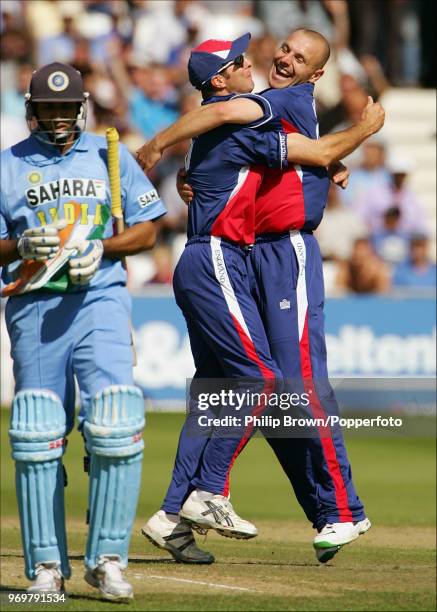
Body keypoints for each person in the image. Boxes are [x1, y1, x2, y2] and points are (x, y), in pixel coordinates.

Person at [137, 31, 384, 564]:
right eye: (242, 60)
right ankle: (211, 496)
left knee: (260, 388)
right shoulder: (254, 109)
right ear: (221, 80)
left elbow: (292, 145)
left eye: (298, 56)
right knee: (266, 386)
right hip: (235, 256)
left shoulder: (282, 101)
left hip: (262, 252)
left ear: (314, 75)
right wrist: (356, 135)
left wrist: (326, 160)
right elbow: (231, 120)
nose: (275, 59)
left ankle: (181, 511)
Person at [0, 62, 166, 599]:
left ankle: (109, 560)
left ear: (81, 107)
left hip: (99, 299)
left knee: (116, 420)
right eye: (46, 108)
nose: (56, 117)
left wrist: (101, 248)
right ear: (31, 109)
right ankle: (46, 568)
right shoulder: (7, 167)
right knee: (36, 433)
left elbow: (146, 231)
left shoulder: (107, 154)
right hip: (34, 306)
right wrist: (20, 246)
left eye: (65, 107)